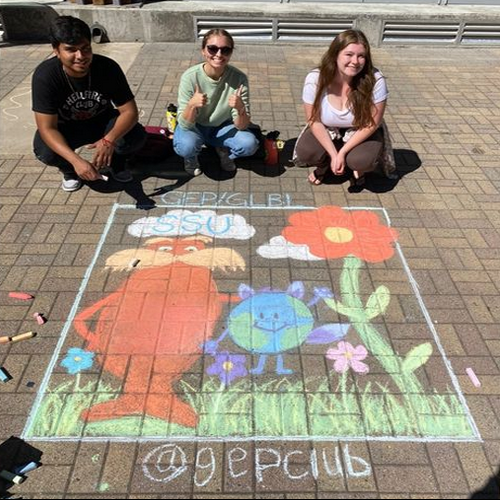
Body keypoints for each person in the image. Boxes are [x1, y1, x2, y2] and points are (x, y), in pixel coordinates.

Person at [32, 16, 146, 192]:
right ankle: (70, 171)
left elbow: (130, 112)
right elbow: (47, 128)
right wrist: (76, 160)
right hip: (67, 127)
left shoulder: (107, 67)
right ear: (56, 51)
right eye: (71, 50)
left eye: (86, 49)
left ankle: (116, 164)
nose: (81, 56)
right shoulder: (45, 76)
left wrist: (109, 140)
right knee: (45, 150)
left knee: (135, 135)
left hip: (101, 122)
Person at [294, 29, 394, 191]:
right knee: (306, 152)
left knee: (360, 160)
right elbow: (314, 120)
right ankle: (325, 164)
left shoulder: (375, 79)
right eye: (349, 54)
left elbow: (372, 124)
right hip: (328, 129)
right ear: (335, 54)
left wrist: (342, 153)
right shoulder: (315, 78)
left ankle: (356, 168)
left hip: (361, 130)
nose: (355, 61)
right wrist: (333, 154)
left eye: (361, 56)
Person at [173, 28, 259, 176]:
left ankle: (224, 151)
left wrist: (240, 109)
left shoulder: (239, 78)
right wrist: (192, 105)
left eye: (225, 50)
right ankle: (191, 157)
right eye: (212, 49)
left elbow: (242, 125)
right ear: (203, 51)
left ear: (231, 53)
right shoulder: (190, 77)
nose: (219, 54)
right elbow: (185, 124)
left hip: (222, 126)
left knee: (249, 144)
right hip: (196, 126)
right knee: (185, 146)